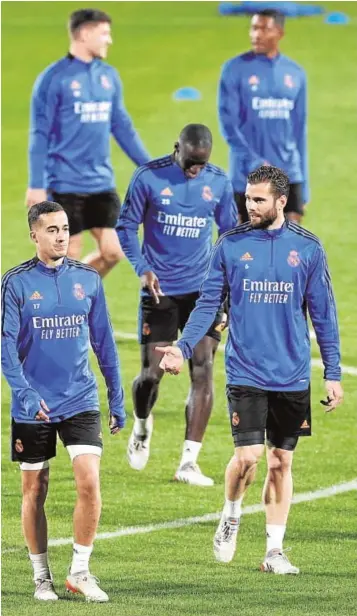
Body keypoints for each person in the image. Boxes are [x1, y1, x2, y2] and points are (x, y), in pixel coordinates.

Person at [157, 165, 343, 573]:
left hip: (292, 373)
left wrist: (332, 372)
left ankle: (274, 551)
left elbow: (324, 315)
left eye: (258, 200)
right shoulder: (229, 245)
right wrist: (183, 348)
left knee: (281, 461)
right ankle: (231, 513)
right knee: (249, 457)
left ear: (281, 202)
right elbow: (208, 303)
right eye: (247, 198)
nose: (250, 205)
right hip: (246, 371)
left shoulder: (308, 249)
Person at [1, 201, 126, 602]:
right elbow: (5, 348)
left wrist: (117, 396)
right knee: (35, 490)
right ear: (34, 234)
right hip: (32, 403)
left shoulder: (88, 280)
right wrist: (24, 392)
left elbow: (104, 342)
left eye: (65, 229)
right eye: (51, 229)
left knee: (89, 480)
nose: (60, 236)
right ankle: (42, 577)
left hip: (80, 398)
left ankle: (80, 571)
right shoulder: (15, 283)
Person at [116, 124, 238, 486]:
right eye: (189, 164)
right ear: (176, 149)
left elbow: (229, 234)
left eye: (201, 165)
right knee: (150, 376)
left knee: (203, 367)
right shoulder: (148, 178)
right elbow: (126, 228)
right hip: (159, 291)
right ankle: (141, 425)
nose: (194, 171)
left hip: (204, 291)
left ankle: (188, 462)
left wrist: (227, 289)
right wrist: (142, 269)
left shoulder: (218, 183)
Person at [26, 8, 151, 277]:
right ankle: (57, 312)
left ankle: (76, 298)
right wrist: (36, 184)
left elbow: (122, 127)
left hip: (100, 183)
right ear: (84, 34)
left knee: (113, 252)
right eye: (104, 33)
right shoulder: (53, 79)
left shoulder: (109, 76)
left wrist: (150, 166)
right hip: (64, 182)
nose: (110, 40)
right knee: (67, 254)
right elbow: (40, 133)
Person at [218, 9, 308, 224]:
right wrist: (254, 163)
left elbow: (299, 131)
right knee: (246, 247)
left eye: (263, 29)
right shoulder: (234, 69)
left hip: (289, 173)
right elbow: (228, 124)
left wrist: (304, 184)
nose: (255, 34)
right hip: (247, 175)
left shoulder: (295, 73)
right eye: (253, 28)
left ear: (279, 33)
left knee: (289, 245)